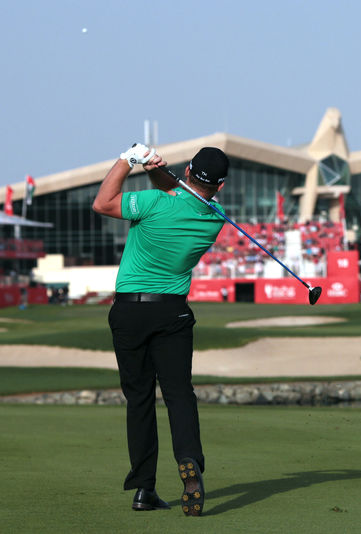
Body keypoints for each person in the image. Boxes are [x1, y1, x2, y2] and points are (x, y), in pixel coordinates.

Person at [93, 143, 229, 516]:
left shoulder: (152, 203)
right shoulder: (215, 217)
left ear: (187, 172)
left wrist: (126, 159)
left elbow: (103, 203)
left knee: (139, 400)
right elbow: (181, 195)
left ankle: (143, 489)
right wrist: (155, 168)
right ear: (221, 186)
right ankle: (189, 460)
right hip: (172, 313)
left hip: (129, 311)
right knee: (178, 395)